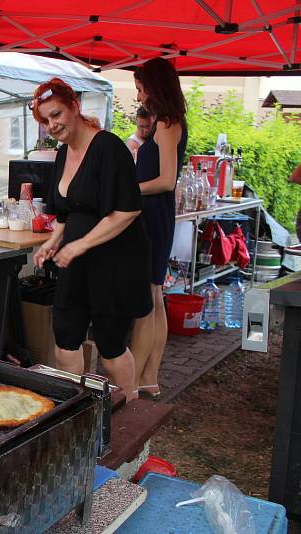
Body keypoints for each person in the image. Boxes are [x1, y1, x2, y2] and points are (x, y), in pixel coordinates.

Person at [31, 78, 152, 402]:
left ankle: (129, 414)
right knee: (65, 339)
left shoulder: (108, 148)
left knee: (111, 347)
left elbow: (127, 211)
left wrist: (78, 245)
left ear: (75, 106)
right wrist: (53, 242)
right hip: (76, 262)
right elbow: (69, 214)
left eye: (56, 115)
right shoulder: (61, 155)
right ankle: (75, 411)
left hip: (115, 262)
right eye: (46, 121)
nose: (52, 125)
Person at [129, 57, 188, 401]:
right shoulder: (168, 122)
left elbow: (167, 180)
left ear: (154, 86)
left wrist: (128, 189)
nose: (138, 94)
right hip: (156, 214)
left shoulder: (166, 124)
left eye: (140, 87)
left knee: (147, 301)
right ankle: (149, 377)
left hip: (153, 215)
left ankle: (134, 381)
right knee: (156, 298)